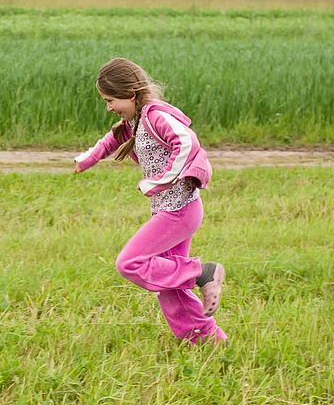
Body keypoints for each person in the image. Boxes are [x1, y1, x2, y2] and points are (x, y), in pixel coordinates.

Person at [73, 57, 227, 345]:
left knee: (130, 262)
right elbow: (111, 140)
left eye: (110, 99)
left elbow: (187, 142)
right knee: (169, 287)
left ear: (130, 93)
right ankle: (207, 341)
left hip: (179, 210)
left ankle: (201, 272)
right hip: (172, 209)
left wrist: (162, 179)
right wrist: (86, 159)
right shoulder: (136, 121)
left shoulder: (156, 116)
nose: (108, 107)